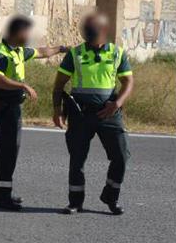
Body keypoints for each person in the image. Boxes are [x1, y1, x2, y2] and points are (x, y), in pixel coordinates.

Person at [51, 13, 133, 215]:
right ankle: (75, 202)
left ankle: (110, 196)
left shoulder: (117, 53)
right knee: (77, 159)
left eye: (92, 33)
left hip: (109, 113)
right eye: (86, 33)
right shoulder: (75, 54)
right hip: (80, 114)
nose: (88, 36)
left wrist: (117, 104)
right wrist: (57, 110)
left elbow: (128, 82)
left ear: (104, 32)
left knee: (121, 156)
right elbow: (59, 83)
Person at [0, 16, 67, 210]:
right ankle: (1, 197)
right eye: (26, 32)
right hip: (4, 107)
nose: (28, 36)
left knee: (10, 150)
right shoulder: (1, 54)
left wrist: (61, 49)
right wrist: (22, 85)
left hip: (13, 107)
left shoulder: (18, 52)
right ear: (16, 34)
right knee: (8, 151)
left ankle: (2, 191)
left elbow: (41, 52)